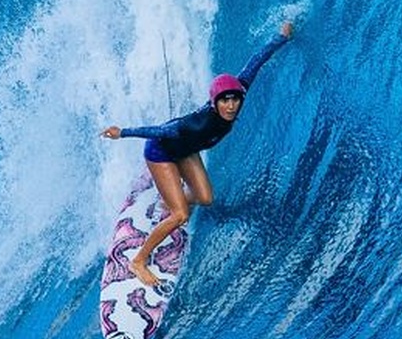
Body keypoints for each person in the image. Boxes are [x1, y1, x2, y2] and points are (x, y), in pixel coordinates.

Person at [102, 21, 295, 287]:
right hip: (162, 152)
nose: (230, 105)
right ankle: (138, 260)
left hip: (187, 150)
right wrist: (122, 132)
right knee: (181, 215)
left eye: (234, 99)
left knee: (205, 197)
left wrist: (281, 38)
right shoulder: (194, 124)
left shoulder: (239, 92)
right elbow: (158, 131)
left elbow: (255, 63)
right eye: (224, 101)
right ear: (214, 103)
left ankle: (169, 201)